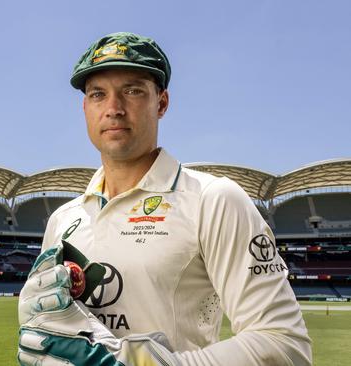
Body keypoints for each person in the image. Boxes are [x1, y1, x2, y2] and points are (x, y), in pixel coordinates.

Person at [17, 32, 312, 365]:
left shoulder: (212, 200)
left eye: (132, 91)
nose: (113, 109)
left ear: (161, 103)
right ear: (85, 108)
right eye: (98, 94)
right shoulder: (63, 219)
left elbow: (286, 345)